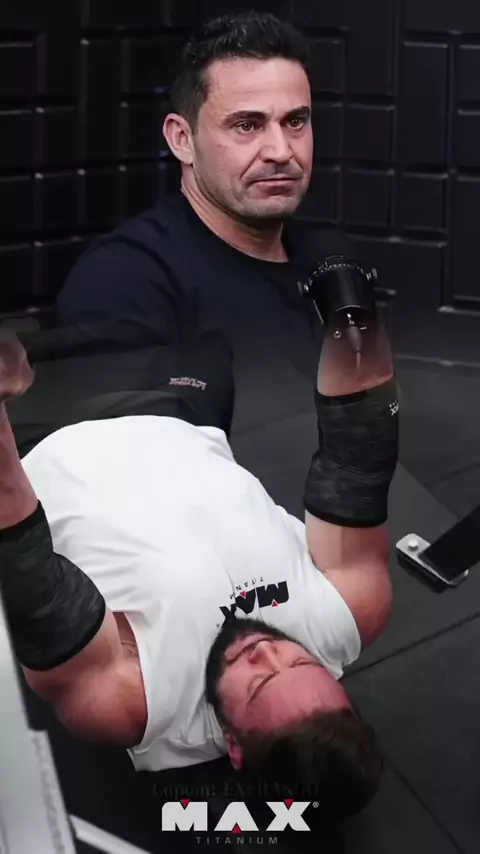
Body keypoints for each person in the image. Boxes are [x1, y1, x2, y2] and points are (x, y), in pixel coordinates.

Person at [0, 296, 399, 821]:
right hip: (176, 399)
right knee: (178, 301)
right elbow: (356, 457)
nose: (267, 651)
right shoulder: (348, 616)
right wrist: (352, 306)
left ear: (233, 745)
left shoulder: (137, 704)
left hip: (38, 427)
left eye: (259, 682)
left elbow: (25, 561)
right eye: (301, 661)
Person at [21, 11, 357, 453]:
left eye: (295, 121)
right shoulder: (127, 281)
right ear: (182, 139)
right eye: (247, 125)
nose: (280, 150)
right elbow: (125, 474)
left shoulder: (330, 261)